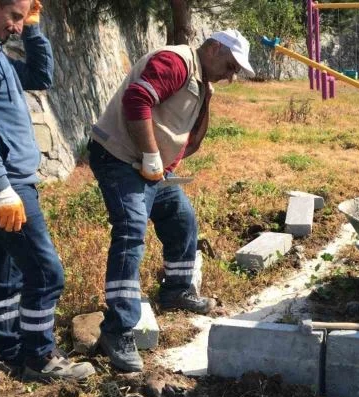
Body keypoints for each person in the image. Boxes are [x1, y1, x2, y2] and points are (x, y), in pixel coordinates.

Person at [0, 0, 95, 381]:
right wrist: (0, 189)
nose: (17, 26)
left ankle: (10, 355)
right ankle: (41, 358)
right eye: (14, 17)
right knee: (46, 273)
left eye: (23, 18)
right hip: (5, 186)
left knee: (5, 274)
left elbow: (41, 76)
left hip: (7, 183)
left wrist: (33, 29)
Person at [87, 29, 254, 373]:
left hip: (151, 168)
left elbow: (183, 131)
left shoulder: (201, 78)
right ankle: (117, 330)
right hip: (119, 158)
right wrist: (151, 155)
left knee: (181, 219)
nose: (231, 75)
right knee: (131, 232)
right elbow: (136, 100)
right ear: (213, 48)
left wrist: (163, 164)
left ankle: (176, 289)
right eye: (231, 65)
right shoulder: (175, 62)